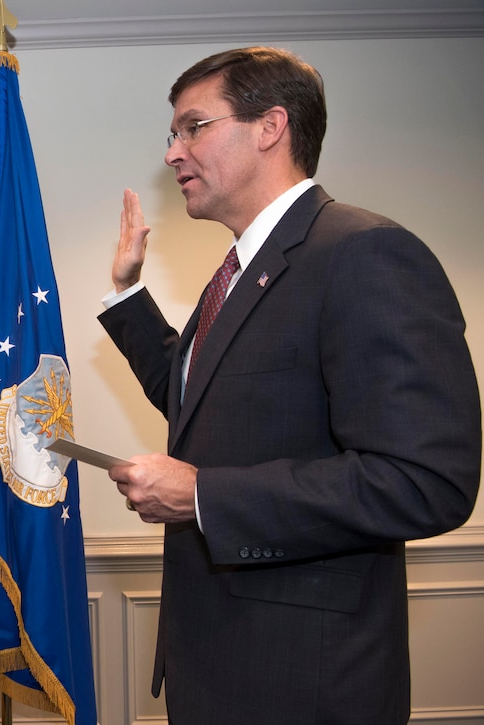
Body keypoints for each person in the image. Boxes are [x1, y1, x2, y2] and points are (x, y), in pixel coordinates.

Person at [98, 47, 480, 725]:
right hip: (216, 666)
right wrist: (125, 291)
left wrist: (203, 494)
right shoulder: (243, 267)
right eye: (172, 134)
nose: (173, 153)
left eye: (192, 127)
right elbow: (202, 404)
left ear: (270, 126)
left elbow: (426, 481)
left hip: (303, 682)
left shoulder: (364, 253)